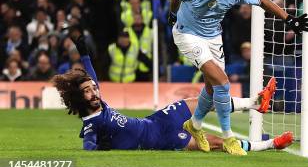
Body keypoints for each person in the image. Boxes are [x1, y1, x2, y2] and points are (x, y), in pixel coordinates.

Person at [168, 0, 308, 155]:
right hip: (187, 34)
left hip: (213, 36)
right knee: (222, 81)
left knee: (211, 88)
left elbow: (262, 1)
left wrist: (288, 18)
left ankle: (195, 124)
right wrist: (173, 15)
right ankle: (228, 137)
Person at [52, 34, 293, 152]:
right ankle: (272, 144)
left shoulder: (98, 102)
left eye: (93, 87)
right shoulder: (92, 124)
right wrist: (96, 148)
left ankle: (255, 103)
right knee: (217, 143)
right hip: (159, 140)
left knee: (199, 101)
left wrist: (83, 50)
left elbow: (91, 75)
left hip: (156, 120)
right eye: (88, 91)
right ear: (78, 99)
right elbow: (89, 147)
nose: (94, 90)